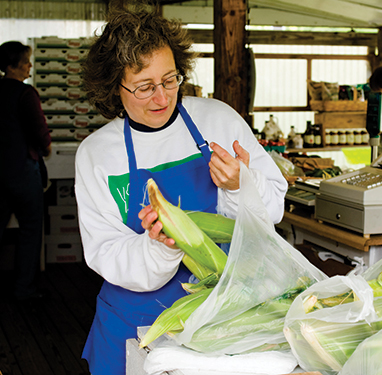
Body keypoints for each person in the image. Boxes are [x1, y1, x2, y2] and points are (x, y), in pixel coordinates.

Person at [75, 4, 287, 374]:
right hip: (133, 324)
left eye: (170, 80)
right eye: (144, 87)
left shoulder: (218, 120)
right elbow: (105, 251)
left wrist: (241, 187)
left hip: (223, 316)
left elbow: (272, 211)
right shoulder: (97, 154)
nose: (162, 97)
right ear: (113, 86)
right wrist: (157, 247)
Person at [0, 41, 52, 301]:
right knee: (31, 229)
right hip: (22, 170)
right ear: (12, 65)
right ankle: (24, 289)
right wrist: (46, 145)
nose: (30, 65)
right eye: (26, 61)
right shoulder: (25, 93)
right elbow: (40, 132)